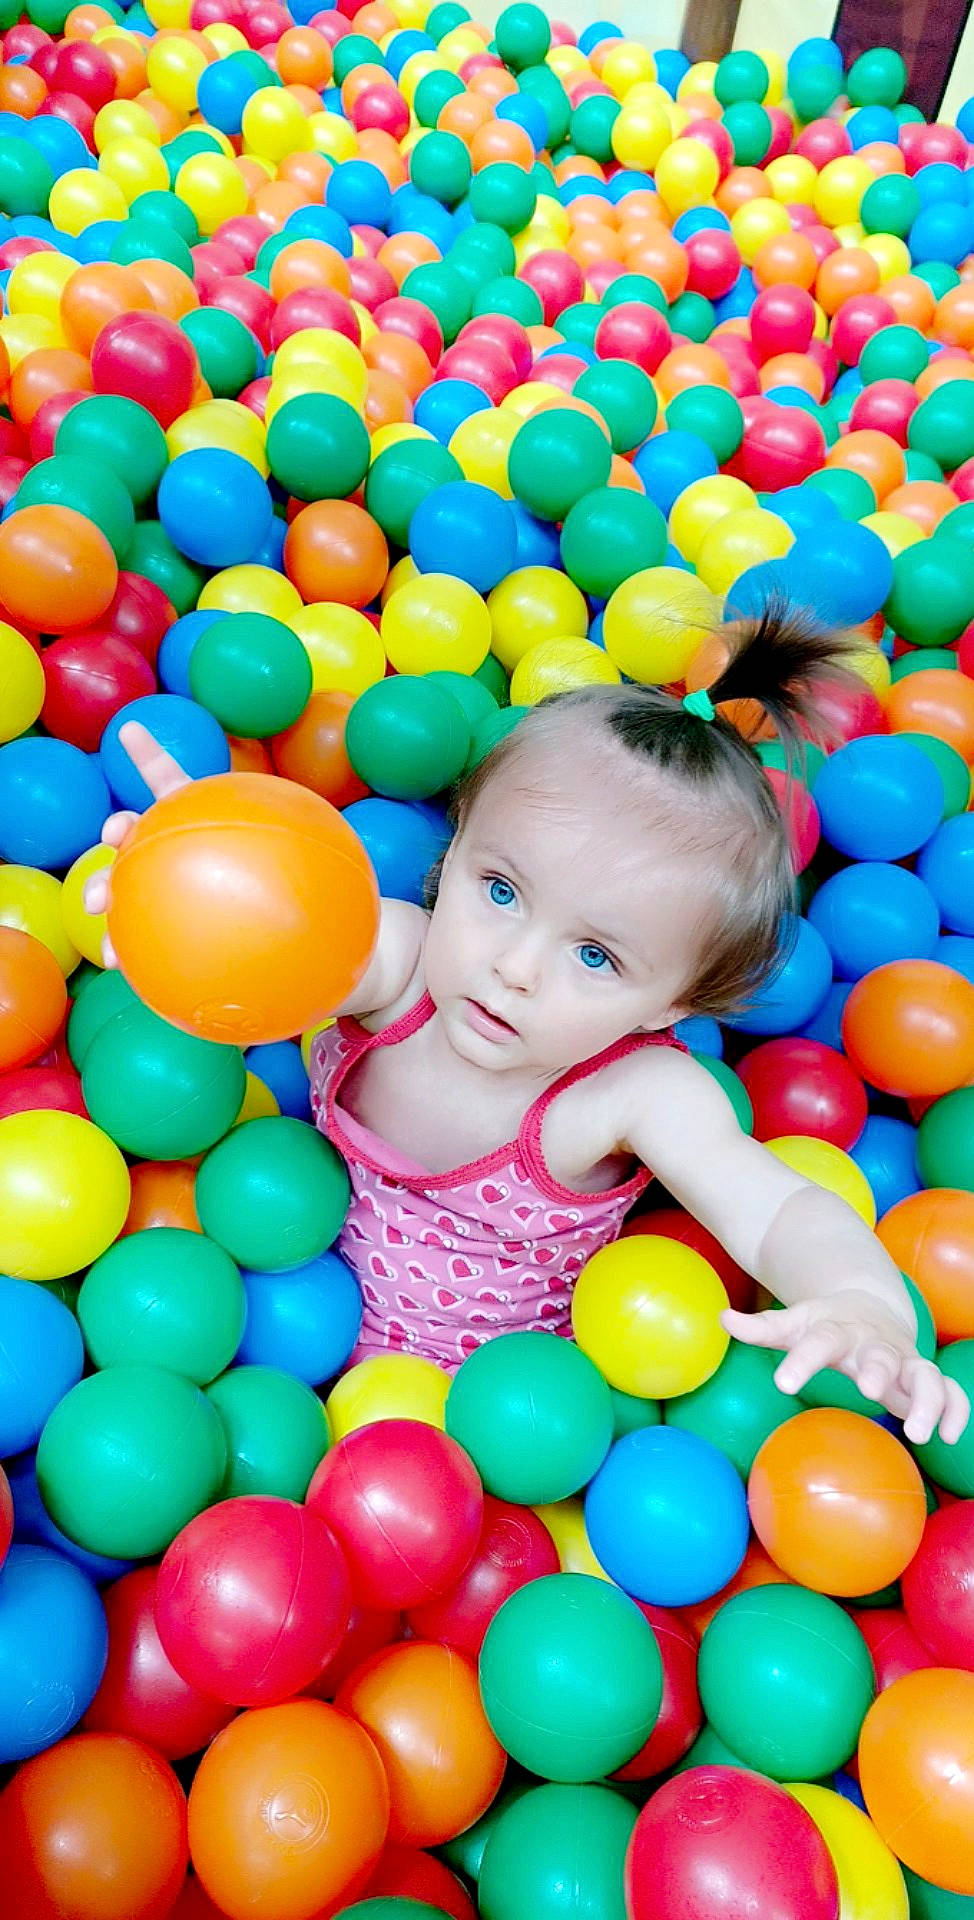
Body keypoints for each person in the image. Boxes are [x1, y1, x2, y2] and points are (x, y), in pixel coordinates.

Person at [88, 606, 969, 1445]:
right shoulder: (401, 965)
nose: (515, 967)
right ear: (455, 848)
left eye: (595, 956)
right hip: (260, 1321)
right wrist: (196, 880)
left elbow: (780, 1211)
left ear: (671, 1005)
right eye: (502, 891)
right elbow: (280, 940)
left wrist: (862, 1305)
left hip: (498, 1422)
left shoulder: (634, 1092)